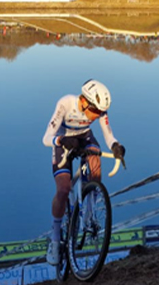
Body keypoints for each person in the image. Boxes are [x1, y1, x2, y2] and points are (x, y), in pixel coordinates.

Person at [42, 79, 126, 265]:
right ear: (84, 101)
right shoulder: (66, 103)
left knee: (95, 154)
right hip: (63, 140)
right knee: (63, 190)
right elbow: (46, 138)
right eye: (95, 111)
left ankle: (89, 214)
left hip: (84, 137)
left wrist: (116, 146)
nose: (97, 115)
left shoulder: (100, 111)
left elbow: (109, 135)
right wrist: (61, 141)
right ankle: (55, 241)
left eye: (100, 112)